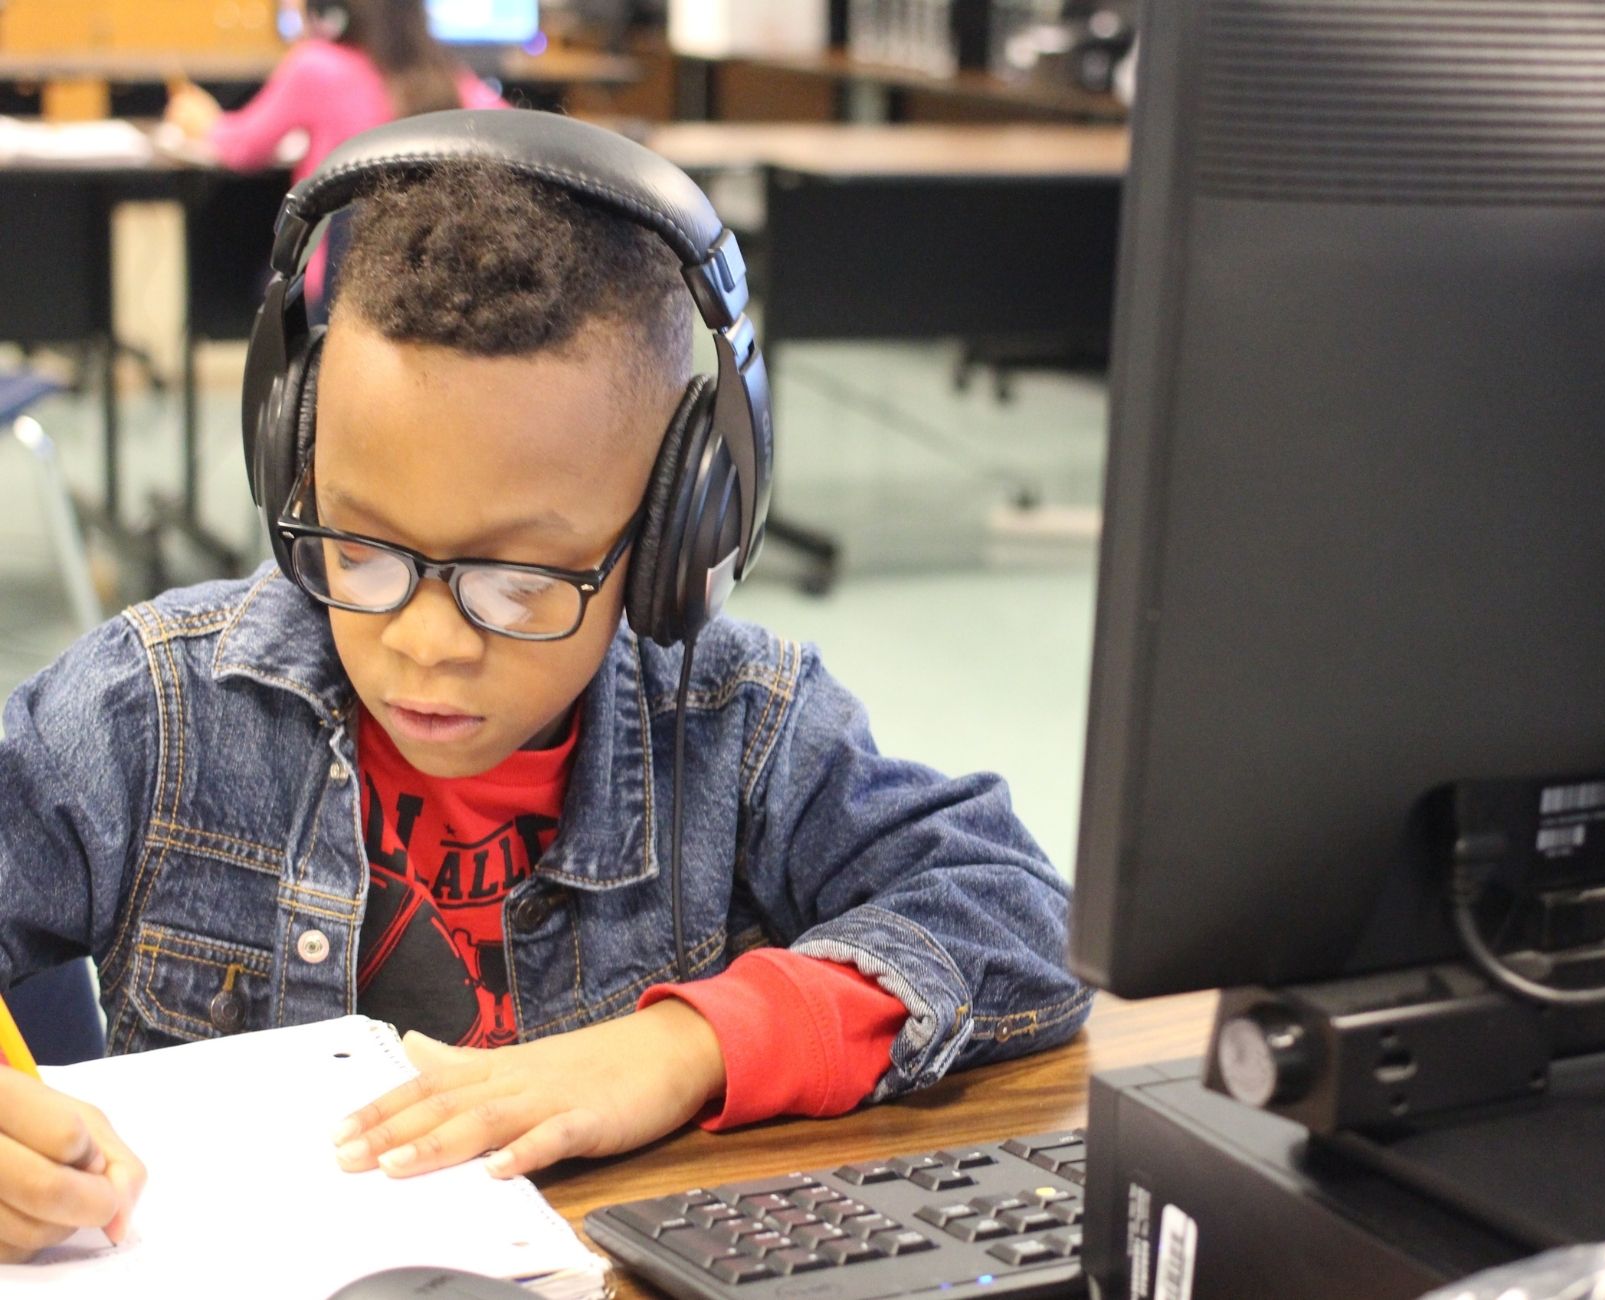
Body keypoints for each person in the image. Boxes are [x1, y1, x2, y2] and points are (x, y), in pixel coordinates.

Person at [0, 111, 1088, 1263]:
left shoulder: (734, 724)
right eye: (361, 549)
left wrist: (676, 1051)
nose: (424, 642)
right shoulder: (155, 710)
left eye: (516, 583)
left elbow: (1012, 910)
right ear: (293, 461)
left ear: (676, 541)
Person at [165, 0, 505, 296]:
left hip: (338, 289)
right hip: (428, 281)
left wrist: (203, 120)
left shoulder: (316, 65)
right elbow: (515, 134)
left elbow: (243, 148)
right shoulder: (441, 74)